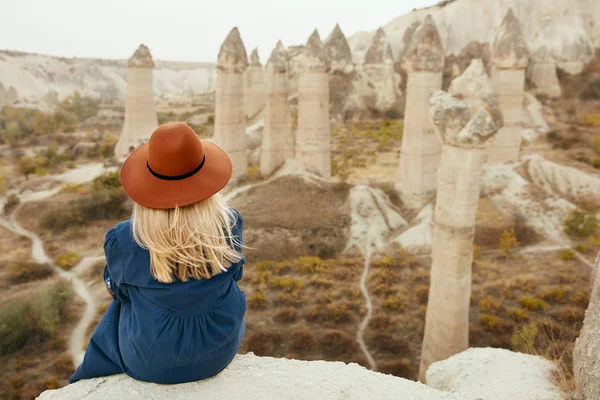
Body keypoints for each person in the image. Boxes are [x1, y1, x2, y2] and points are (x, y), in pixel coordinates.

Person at [70, 122, 246, 384]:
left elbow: (118, 292)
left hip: (154, 363)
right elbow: (236, 275)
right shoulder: (229, 223)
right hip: (219, 347)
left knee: (121, 305)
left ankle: (84, 377)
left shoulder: (125, 238)